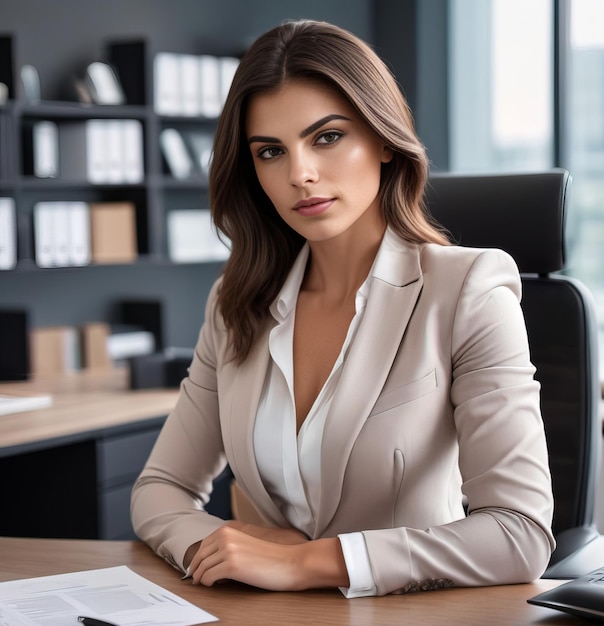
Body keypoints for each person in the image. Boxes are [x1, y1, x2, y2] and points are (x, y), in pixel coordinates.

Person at [131, 19, 555, 597]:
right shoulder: (237, 303)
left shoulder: (468, 290)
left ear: (383, 139)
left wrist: (311, 562)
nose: (299, 174)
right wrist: (225, 547)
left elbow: (520, 534)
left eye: (327, 137)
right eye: (271, 151)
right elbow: (159, 489)